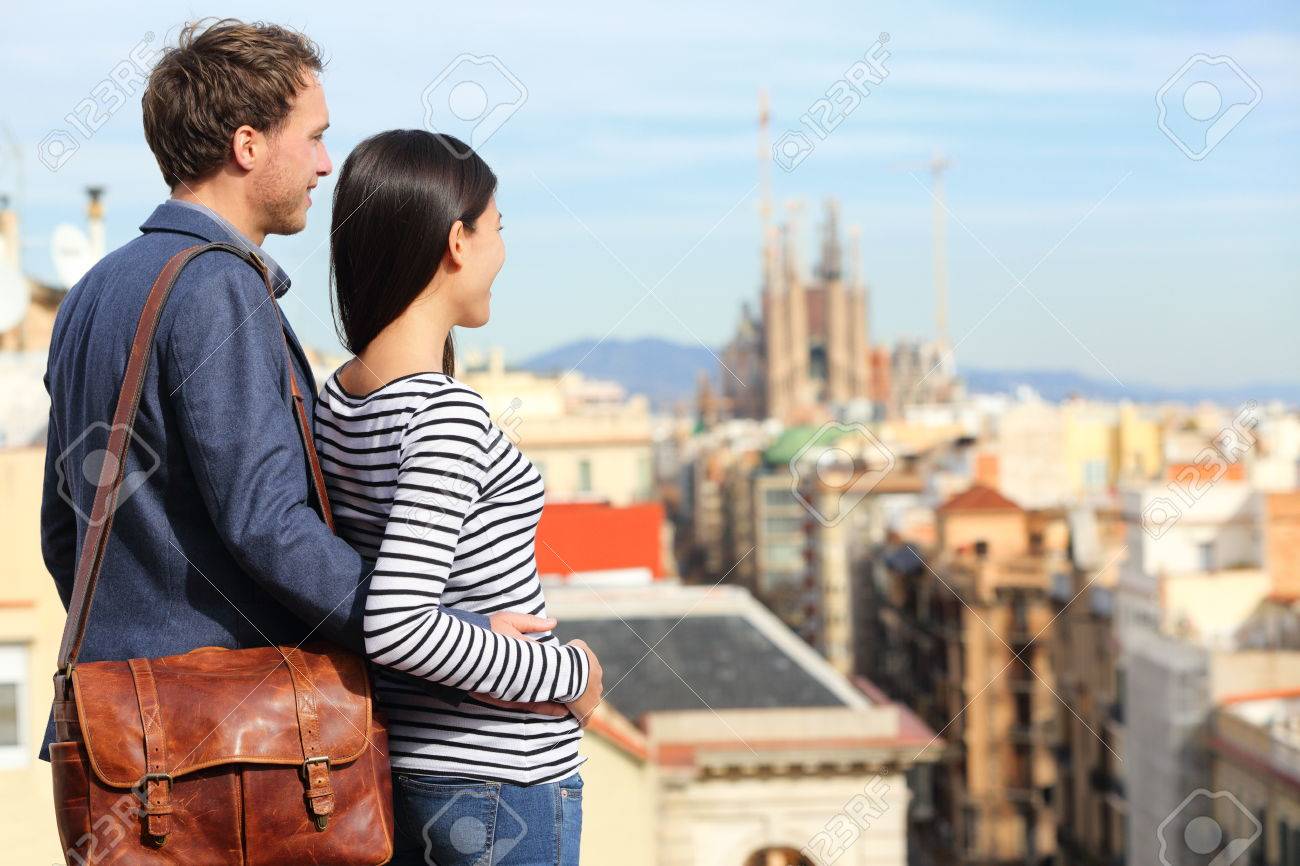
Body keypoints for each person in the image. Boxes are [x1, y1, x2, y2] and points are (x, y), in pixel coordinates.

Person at [38, 18, 561, 781]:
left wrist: (131, 645)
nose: (324, 165)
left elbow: (65, 531)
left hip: (119, 736)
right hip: (226, 744)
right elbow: (269, 523)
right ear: (247, 146)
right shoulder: (217, 288)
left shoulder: (92, 293)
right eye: (312, 138)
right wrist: (424, 632)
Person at [317, 128, 601, 866]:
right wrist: (572, 674)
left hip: (414, 770)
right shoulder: (444, 415)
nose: (504, 252)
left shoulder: (338, 400)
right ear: (456, 242)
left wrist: (470, 622)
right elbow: (400, 623)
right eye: (498, 229)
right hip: (499, 781)